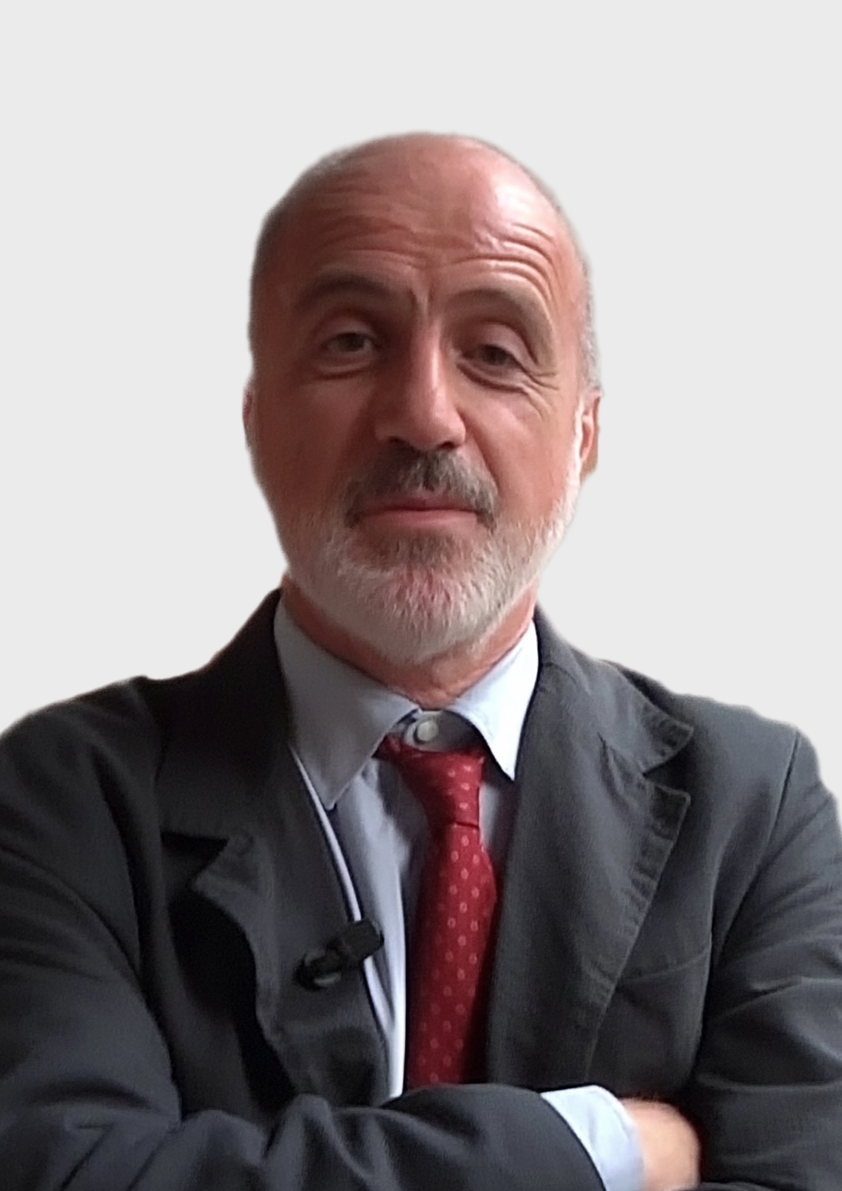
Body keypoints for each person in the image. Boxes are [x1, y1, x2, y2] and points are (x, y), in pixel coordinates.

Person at [0, 132, 840, 1191]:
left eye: (494, 352)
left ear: (583, 435)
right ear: (257, 421)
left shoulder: (752, 809)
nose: (423, 416)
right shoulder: (66, 799)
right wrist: (599, 1147)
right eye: (352, 342)